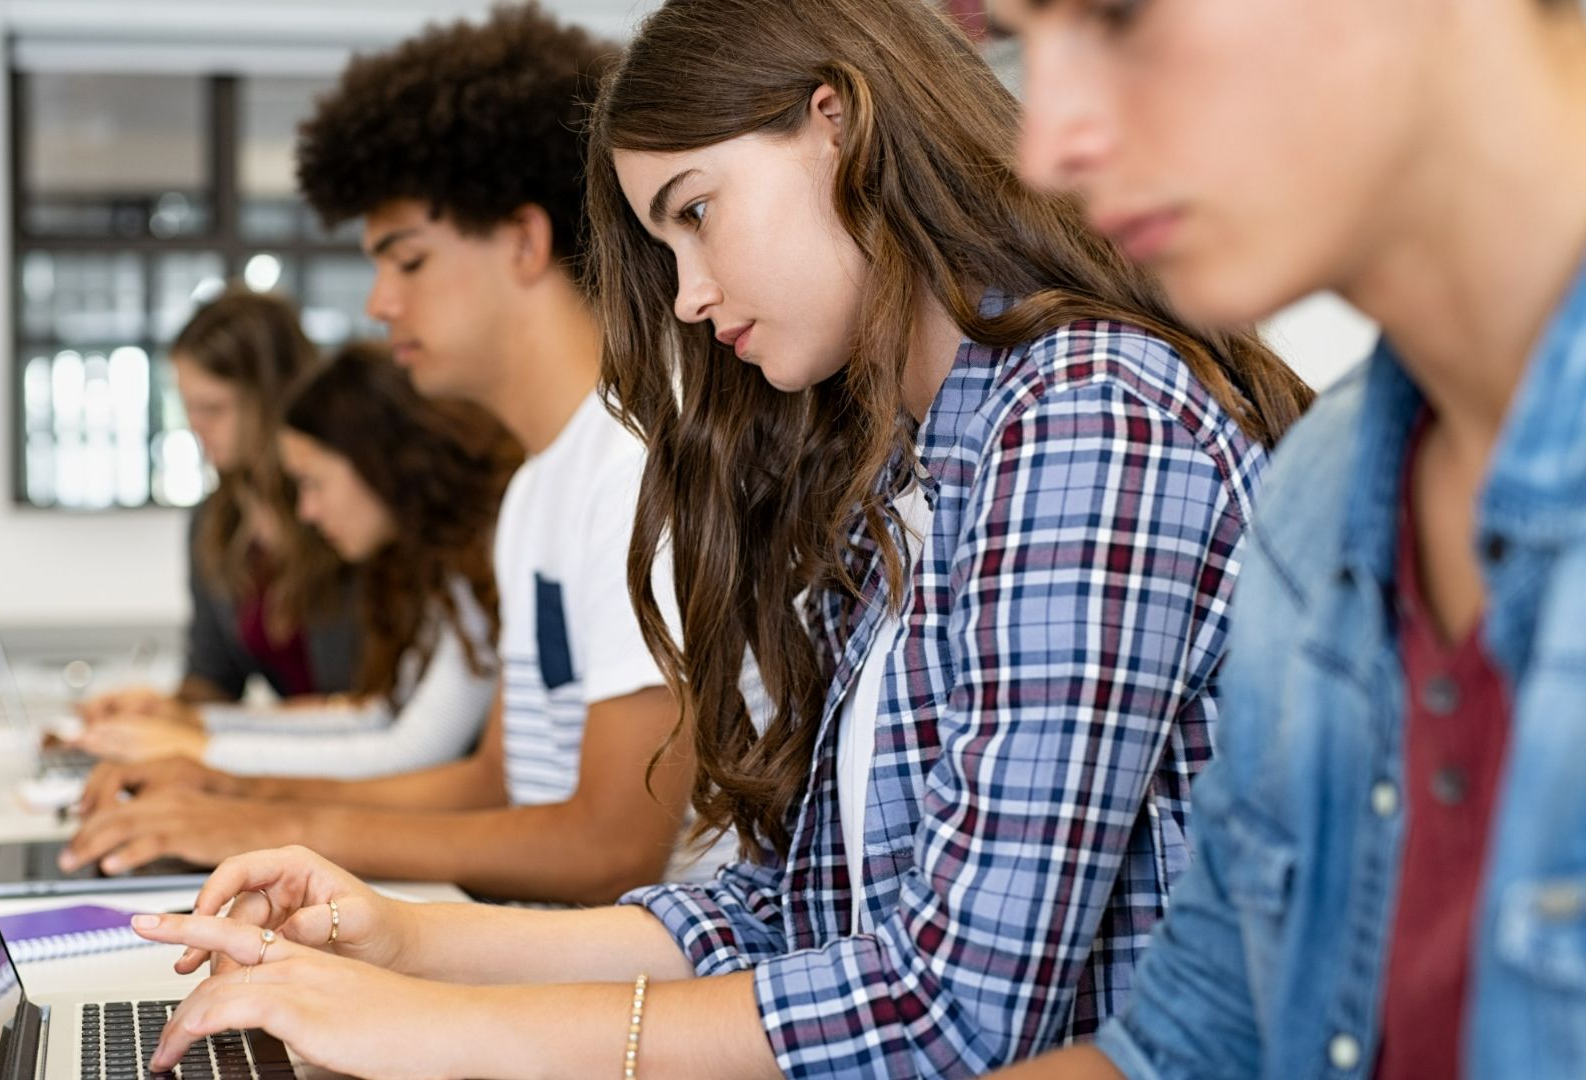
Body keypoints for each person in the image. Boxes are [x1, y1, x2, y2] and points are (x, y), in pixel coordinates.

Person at [113, 1, 1316, 1076]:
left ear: (838, 127)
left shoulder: (1084, 417)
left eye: (696, 213)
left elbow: (952, 1010)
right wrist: (403, 940)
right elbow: (790, 913)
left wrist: (436, 1029)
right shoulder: (900, 466)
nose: (687, 295)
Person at [976, 0, 1586, 1077]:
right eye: (1025, 39)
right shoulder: (1322, 493)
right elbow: (1191, 1043)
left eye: (1118, 15)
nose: (1048, 148)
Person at [63, 3, 725, 905]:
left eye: (407, 261)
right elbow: (494, 784)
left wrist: (265, 830)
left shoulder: (634, 466)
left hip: (640, 971)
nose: (378, 303)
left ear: (524, 243)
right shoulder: (540, 487)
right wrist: (234, 795)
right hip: (542, 943)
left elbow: (611, 847)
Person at [72, 341, 520, 780]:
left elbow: (413, 750)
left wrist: (199, 749)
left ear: (375, 463)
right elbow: (378, 716)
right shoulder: (443, 563)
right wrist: (194, 725)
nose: (307, 511)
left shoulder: (483, 557)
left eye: (313, 483)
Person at [78, 288, 359, 720]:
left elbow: (378, 707)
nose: (196, 427)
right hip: (293, 751)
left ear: (273, 399)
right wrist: (160, 710)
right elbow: (215, 679)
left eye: (213, 408)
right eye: (188, 408)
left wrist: (253, 726)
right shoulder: (214, 520)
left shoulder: (347, 511)